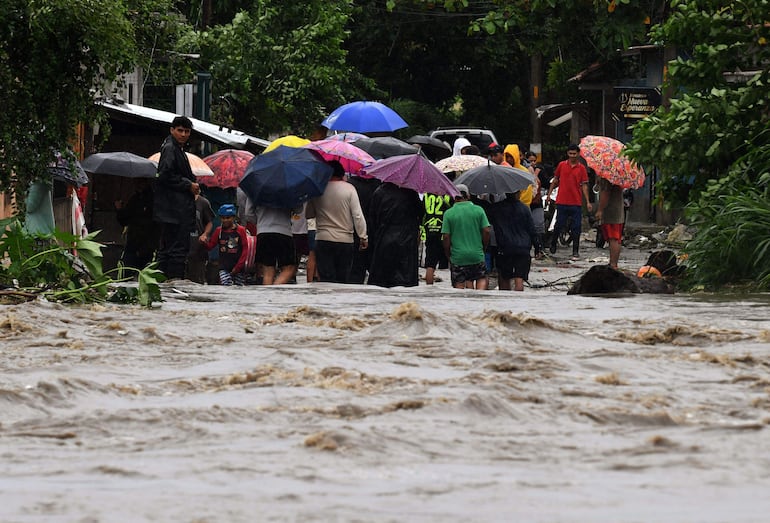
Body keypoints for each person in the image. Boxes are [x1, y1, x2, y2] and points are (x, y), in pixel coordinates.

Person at [305, 160, 368, 283]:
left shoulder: (318, 189)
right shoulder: (350, 189)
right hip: (345, 241)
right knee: (342, 280)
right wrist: (363, 237)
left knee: (326, 281)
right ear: (342, 173)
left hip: (323, 239)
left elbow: (309, 214)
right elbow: (357, 216)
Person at [153, 115, 199, 280]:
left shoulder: (175, 149)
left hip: (174, 210)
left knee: (169, 249)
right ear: (172, 130)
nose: (183, 134)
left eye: (187, 131)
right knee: (176, 250)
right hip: (174, 211)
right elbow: (165, 175)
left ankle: (164, 282)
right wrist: (188, 185)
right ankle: (173, 283)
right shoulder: (171, 148)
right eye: (180, 130)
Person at [367, 182, 424, 288]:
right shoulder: (411, 193)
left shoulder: (379, 192)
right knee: (404, 285)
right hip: (407, 241)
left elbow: (372, 219)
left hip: (384, 239)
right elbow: (421, 214)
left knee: (381, 283)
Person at [546, 144, 592, 261]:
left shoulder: (581, 168)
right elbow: (555, 180)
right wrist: (549, 194)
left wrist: (587, 201)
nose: (572, 156)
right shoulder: (561, 165)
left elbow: (585, 185)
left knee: (577, 227)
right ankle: (553, 243)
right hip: (562, 201)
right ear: (567, 154)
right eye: (570, 153)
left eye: (574, 153)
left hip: (576, 202)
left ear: (578, 154)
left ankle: (575, 250)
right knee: (558, 224)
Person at [486, 192, 540, 291]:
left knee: (504, 277)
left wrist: (492, 200)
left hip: (504, 247)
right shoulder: (525, 208)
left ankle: (505, 301)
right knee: (519, 278)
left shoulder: (497, 208)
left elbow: (488, 221)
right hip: (523, 248)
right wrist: (537, 247)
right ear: (518, 194)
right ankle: (518, 301)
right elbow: (532, 229)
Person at [441, 184, 490, 290]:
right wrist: (483, 246)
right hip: (477, 255)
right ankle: (480, 300)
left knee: (459, 286)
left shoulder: (449, 213)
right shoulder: (479, 210)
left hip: (458, 257)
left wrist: (448, 254)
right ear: (468, 195)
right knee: (481, 277)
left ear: (454, 197)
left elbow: (446, 236)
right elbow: (486, 230)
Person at [115, 178, 159, 271]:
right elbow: (125, 219)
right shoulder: (136, 199)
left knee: (131, 267)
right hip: (139, 241)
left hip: (143, 241)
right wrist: (119, 210)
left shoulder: (147, 200)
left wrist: (120, 210)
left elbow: (126, 218)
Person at [347, 173, 381, 284]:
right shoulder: (378, 186)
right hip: (373, 229)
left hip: (352, 229)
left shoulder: (351, 185)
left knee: (354, 265)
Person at [204, 204, 249, 286]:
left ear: (233, 218)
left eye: (228, 218)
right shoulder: (219, 231)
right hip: (224, 267)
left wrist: (238, 267)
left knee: (239, 288)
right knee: (226, 285)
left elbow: (245, 249)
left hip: (239, 267)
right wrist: (204, 241)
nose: (225, 220)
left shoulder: (240, 230)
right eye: (223, 218)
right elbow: (210, 246)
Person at [255, 204, 297, 285]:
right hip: (284, 231)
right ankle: (275, 288)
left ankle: (268, 293)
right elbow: (299, 209)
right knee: (289, 268)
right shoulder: (288, 191)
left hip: (263, 231)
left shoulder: (256, 191)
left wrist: (260, 223)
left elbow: (248, 213)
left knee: (268, 271)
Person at [422, 192, 452, 285]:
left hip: (430, 231)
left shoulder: (426, 195)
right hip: (444, 232)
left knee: (430, 264)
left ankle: (429, 288)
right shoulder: (447, 196)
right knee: (446, 264)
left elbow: (422, 213)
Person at [595, 178, 625, 270]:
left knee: (613, 238)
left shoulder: (607, 178)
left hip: (611, 212)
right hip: (618, 211)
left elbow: (605, 194)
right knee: (616, 238)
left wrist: (600, 210)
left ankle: (613, 264)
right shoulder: (617, 178)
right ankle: (613, 263)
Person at [186, 192, 215, 283]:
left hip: (198, 246)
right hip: (183, 245)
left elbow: (209, 222)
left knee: (198, 278)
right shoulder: (180, 200)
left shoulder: (203, 202)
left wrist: (205, 234)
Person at [526, 151, 546, 259]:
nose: (533, 163)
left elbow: (546, 182)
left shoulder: (540, 171)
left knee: (539, 226)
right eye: (530, 161)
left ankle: (540, 249)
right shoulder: (523, 171)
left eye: (534, 161)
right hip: (526, 203)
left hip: (537, 203)